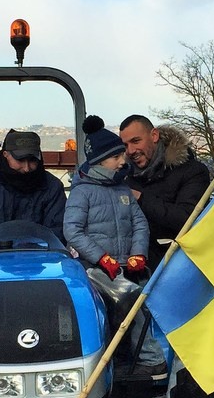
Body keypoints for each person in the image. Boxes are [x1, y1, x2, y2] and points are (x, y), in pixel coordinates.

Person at [64, 115, 163, 377]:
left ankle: (148, 359)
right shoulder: (82, 191)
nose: (123, 160)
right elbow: (72, 231)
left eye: (122, 155)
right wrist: (101, 258)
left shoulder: (123, 190)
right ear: (98, 161)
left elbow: (140, 224)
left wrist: (138, 254)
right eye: (116, 157)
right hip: (97, 270)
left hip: (125, 267)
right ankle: (102, 364)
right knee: (107, 315)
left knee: (138, 309)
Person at [118, 114, 211, 270]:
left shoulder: (193, 172)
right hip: (134, 270)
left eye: (135, 141)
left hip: (178, 268)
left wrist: (141, 198)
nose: (131, 151)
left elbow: (187, 219)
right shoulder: (125, 176)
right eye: (125, 146)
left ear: (154, 136)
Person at [0, 129, 67, 245]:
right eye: (20, 160)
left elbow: (58, 233)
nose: (27, 168)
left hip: (41, 256)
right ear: (5, 154)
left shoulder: (53, 186)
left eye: (33, 160)